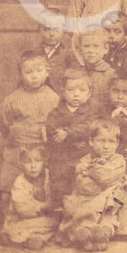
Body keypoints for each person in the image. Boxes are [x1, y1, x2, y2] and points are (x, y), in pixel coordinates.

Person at [0, 51, 60, 220]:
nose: (34, 76)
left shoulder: (54, 99)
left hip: (43, 148)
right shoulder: (12, 99)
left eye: (39, 71)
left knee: (44, 184)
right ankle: (7, 220)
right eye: (29, 72)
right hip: (18, 148)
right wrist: (14, 135)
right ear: (20, 74)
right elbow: (3, 122)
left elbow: (59, 123)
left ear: (47, 71)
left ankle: (42, 220)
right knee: (7, 183)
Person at [58, 119, 127, 251]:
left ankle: (103, 234)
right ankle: (84, 235)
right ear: (91, 141)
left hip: (111, 202)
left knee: (109, 214)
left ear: (117, 143)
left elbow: (106, 177)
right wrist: (91, 178)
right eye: (101, 141)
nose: (105, 146)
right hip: (87, 198)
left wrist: (89, 171)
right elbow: (82, 185)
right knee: (80, 210)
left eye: (110, 142)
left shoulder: (118, 160)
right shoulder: (85, 160)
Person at [45, 68, 102, 208]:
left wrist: (68, 133)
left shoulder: (92, 110)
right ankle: (59, 210)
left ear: (89, 93)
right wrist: (71, 141)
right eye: (71, 90)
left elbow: (90, 127)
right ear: (63, 91)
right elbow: (52, 130)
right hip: (62, 155)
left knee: (84, 181)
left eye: (82, 90)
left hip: (84, 154)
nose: (76, 94)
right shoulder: (57, 112)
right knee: (58, 179)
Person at [0, 146, 58, 250]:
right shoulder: (20, 182)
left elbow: (58, 195)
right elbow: (22, 208)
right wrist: (43, 206)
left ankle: (28, 239)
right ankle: (28, 237)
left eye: (38, 161)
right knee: (18, 226)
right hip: (24, 218)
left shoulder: (50, 176)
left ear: (44, 161)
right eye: (28, 162)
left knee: (53, 222)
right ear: (21, 164)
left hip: (47, 219)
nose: (33, 166)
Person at [75, 29, 114, 106]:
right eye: (86, 46)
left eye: (96, 46)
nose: (91, 50)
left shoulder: (112, 75)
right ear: (79, 49)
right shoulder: (76, 74)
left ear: (106, 49)